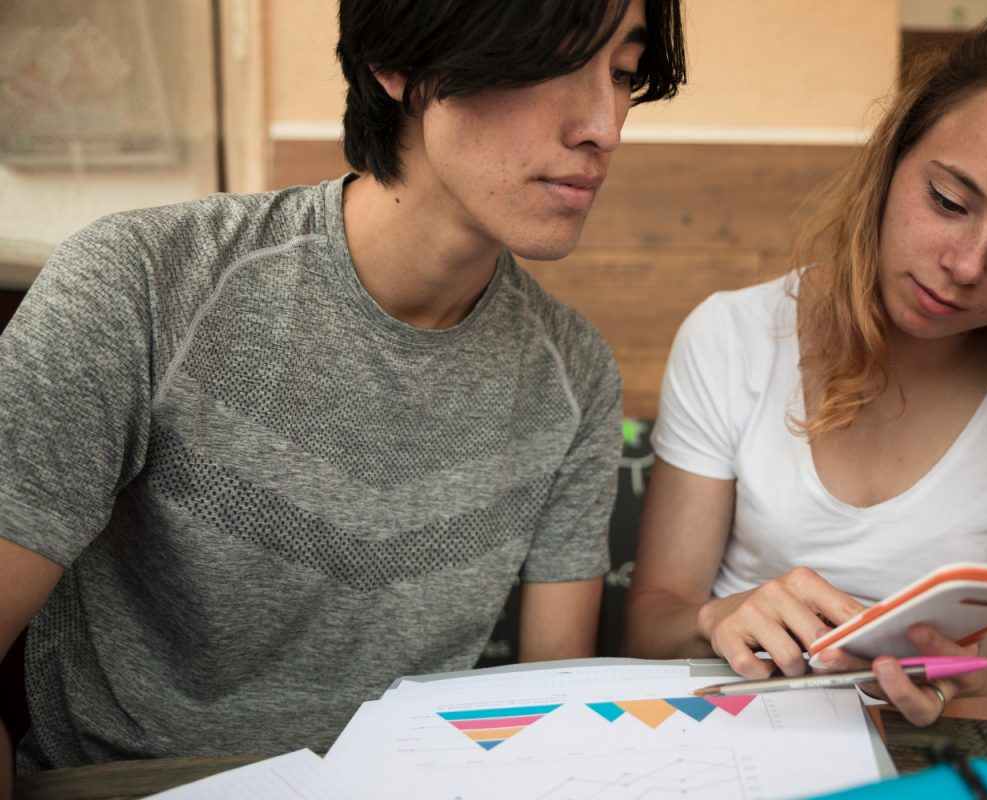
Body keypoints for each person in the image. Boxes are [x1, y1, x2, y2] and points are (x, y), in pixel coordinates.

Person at [0, 0, 685, 783]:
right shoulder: (143, 286)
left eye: (624, 74)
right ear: (399, 64)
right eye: (555, 60)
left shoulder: (574, 373)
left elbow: (545, 712)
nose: (604, 125)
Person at [623, 8, 987, 727]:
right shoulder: (733, 336)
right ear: (893, 155)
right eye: (949, 201)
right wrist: (718, 617)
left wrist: (958, 686)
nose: (965, 265)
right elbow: (649, 626)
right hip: (726, 738)